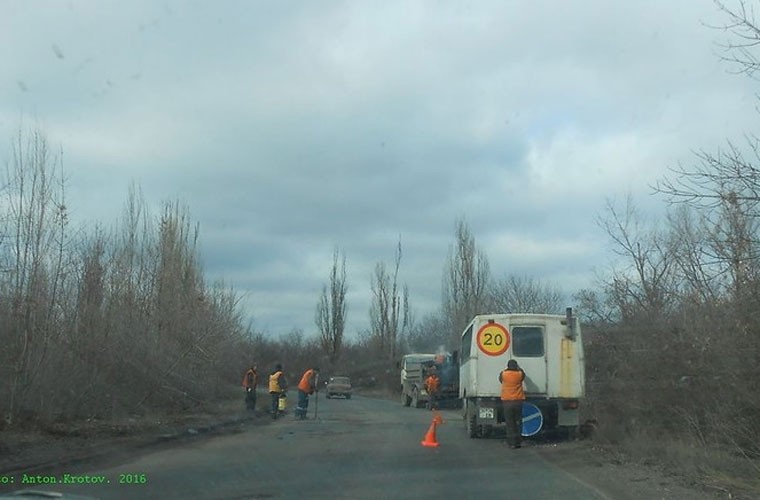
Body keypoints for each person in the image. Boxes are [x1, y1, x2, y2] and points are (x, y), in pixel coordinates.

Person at [498, 359, 526, 449]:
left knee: (510, 423)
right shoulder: (519, 374)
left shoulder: (504, 374)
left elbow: (500, 380)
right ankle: (518, 442)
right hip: (518, 401)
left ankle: (511, 443)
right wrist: (519, 368)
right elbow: (523, 375)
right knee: (518, 422)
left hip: (507, 402)